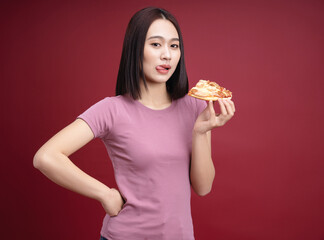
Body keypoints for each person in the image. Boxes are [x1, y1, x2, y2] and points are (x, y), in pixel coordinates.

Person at [33, 7, 235, 240]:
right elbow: (46, 157)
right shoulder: (112, 110)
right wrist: (104, 194)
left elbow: (203, 188)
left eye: (174, 45)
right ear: (135, 49)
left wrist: (200, 132)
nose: (167, 55)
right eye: (156, 44)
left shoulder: (196, 107)